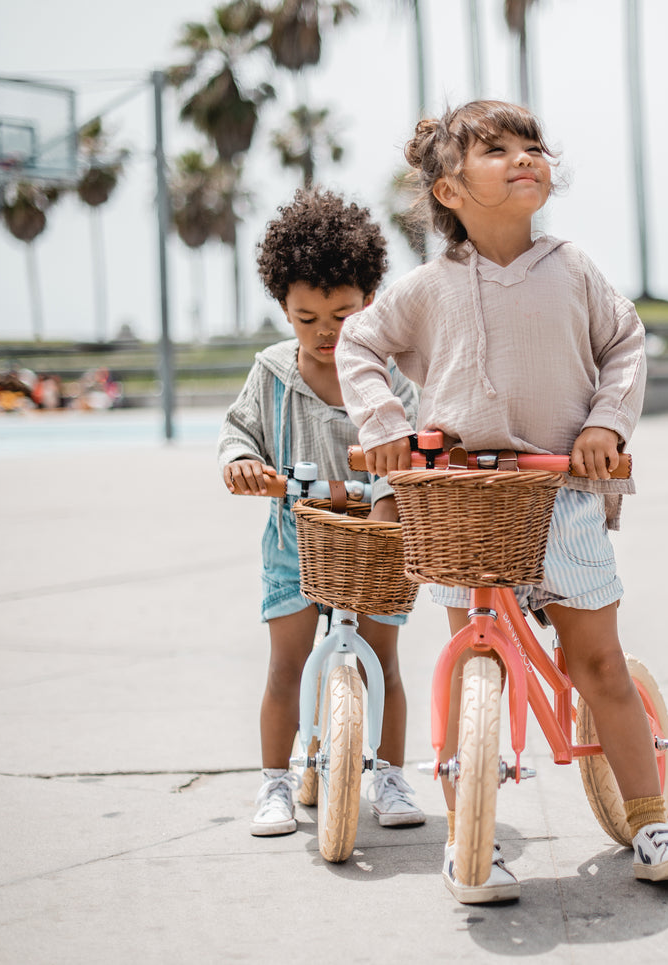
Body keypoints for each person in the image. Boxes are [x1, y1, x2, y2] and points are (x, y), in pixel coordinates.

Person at [336, 101, 668, 903]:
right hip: (463, 500)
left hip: (562, 489)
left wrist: (606, 424)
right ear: (447, 191)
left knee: (597, 661)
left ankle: (651, 820)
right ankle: (470, 837)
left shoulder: (572, 269)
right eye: (496, 149)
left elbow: (624, 345)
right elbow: (358, 344)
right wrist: (387, 423)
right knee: (465, 654)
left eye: (532, 145)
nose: (524, 157)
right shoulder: (426, 287)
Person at [218, 188, 423, 837]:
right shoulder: (273, 373)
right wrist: (241, 462)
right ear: (282, 305)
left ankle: (389, 773)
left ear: (370, 300)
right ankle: (274, 781)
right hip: (294, 540)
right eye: (305, 318)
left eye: (342, 314)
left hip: (378, 539)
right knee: (285, 663)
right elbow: (238, 432)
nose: (326, 333)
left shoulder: (392, 377)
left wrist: (396, 493)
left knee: (382, 661)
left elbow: (418, 442)